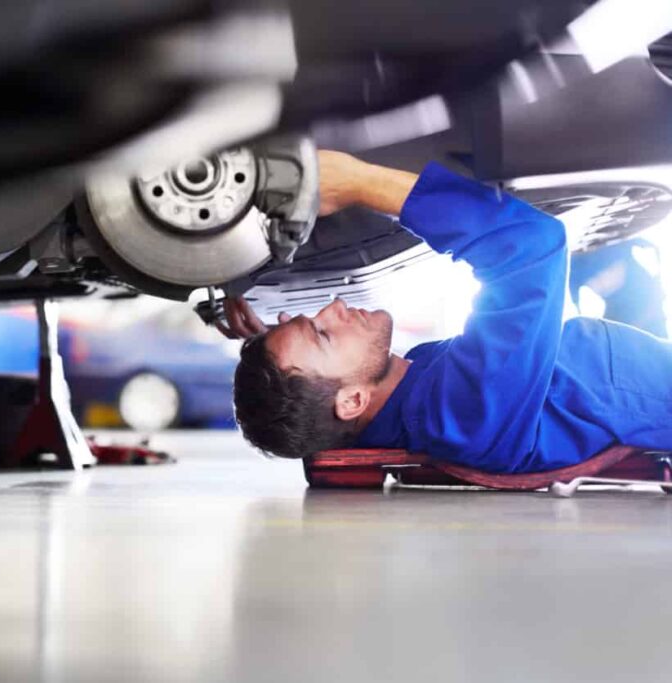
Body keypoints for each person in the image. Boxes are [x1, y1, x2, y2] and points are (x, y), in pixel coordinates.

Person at [223, 151, 672, 473]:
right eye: (324, 334)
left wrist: (263, 327)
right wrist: (362, 182)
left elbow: (308, 408)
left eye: (314, 319)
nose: (335, 307)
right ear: (353, 401)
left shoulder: (412, 395)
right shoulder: (464, 413)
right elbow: (532, 246)